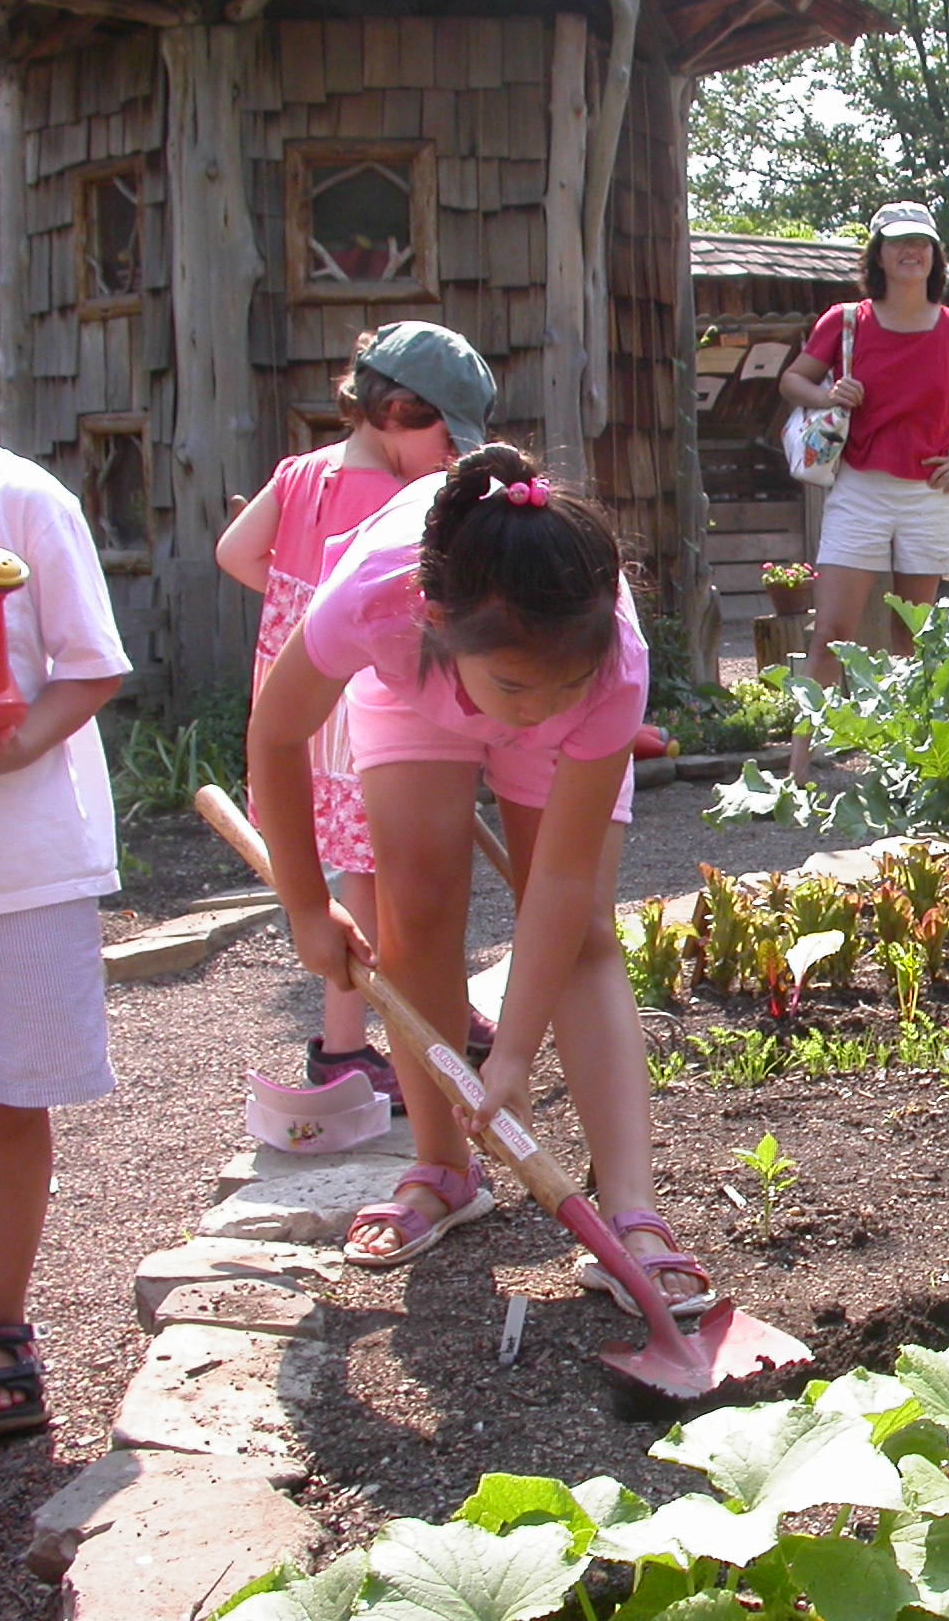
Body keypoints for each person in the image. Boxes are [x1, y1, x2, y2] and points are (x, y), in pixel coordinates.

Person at [248, 443, 710, 1312]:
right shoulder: (377, 604)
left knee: (585, 938)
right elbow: (276, 737)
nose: (533, 710)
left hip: (539, 688)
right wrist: (307, 908)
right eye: (514, 689)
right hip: (411, 687)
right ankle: (443, 1168)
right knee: (415, 909)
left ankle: (633, 1214)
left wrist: (512, 1055)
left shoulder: (604, 667)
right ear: (433, 615)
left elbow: (562, 886)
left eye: (557, 688)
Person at [218, 321, 501, 1103]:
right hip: (354, 708)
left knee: (353, 870)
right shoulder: (397, 500)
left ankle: (436, 1008)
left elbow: (237, 555)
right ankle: (359, 1043)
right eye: (446, 436)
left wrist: (296, 606)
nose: (450, 459)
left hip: (293, 696)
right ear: (402, 410)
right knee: (381, 881)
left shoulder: (298, 472)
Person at [0, 410, 129, 1449]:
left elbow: (91, 663)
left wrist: (17, 745)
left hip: (18, 868)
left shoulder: (23, 500)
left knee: (8, 1103)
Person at [778, 200, 949, 777]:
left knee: (912, 635)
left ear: (934, 256)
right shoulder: (846, 320)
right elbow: (793, 381)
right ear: (878, 254)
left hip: (928, 493)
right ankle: (800, 769)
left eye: (922, 244)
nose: (911, 252)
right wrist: (827, 396)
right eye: (897, 242)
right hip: (859, 486)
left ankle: (908, 764)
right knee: (832, 630)